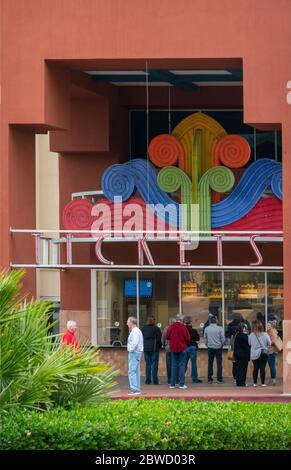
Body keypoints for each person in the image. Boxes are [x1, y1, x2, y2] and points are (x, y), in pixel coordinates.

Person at [166, 313, 190, 390]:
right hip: (182, 348)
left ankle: (172, 384)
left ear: (176, 319)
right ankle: (181, 384)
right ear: (182, 320)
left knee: (173, 366)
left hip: (173, 348)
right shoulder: (184, 327)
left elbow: (167, 336)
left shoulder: (171, 327)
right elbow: (188, 338)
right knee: (182, 366)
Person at [249, 320, 271, 387]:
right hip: (263, 352)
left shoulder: (251, 335)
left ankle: (255, 383)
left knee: (255, 368)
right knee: (262, 368)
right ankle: (263, 383)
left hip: (254, 353)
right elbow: (269, 343)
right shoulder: (265, 334)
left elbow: (249, 343)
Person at [204, 315, 225, 384]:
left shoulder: (207, 328)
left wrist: (207, 345)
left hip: (210, 348)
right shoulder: (220, 328)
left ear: (210, 321)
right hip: (218, 348)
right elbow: (223, 339)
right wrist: (221, 345)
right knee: (219, 363)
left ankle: (210, 379)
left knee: (210, 363)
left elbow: (205, 339)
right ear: (216, 320)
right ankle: (219, 379)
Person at [141, 315, 162, 385]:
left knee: (148, 365)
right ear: (154, 321)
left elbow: (141, 338)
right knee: (154, 365)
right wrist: (160, 346)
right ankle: (155, 381)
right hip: (154, 348)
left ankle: (148, 380)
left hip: (146, 348)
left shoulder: (143, 328)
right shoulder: (156, 329)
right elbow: (159, 339)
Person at [127, 316, 144, 396]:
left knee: (132, 371)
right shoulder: (137, 330)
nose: (127, 323)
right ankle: (136, 388)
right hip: (137, 352)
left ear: (131, 323)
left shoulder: (135, 331)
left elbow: (135, 342)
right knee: (135, 371)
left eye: (128, 322)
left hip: (134, 352)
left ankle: (134, 389)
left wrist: (130, 349)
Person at [226, 312, 244, 383]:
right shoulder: (244, 324)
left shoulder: (230, 325)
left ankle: (235, 378)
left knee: (235, 364)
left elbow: (227, 335)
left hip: (233, 349)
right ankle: (240, 378)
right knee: (242, 364)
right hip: (242, 349)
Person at [184, 316, 202, 383]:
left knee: (184, 363)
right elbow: (198, 338)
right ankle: (194, 379)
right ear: (190, 322)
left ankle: (181, 377)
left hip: (185, 347)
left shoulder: (183, 330)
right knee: (194, 364)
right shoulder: (194, 330)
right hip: (193, 347)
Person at [161, 317, 176, 385]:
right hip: (175, 349)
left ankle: (170, 380)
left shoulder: (166, 329)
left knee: (169, 365)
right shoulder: (177, 328)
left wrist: (164, 345)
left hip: (168, 349)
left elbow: (163, 338)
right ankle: (175, 379)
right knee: (175, 364)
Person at [267, 320, 279, 386]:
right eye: (267, 325)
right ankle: (272, 379)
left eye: (268, 325)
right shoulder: (270, 331)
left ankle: (273, 380)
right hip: (270, 351)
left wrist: (268, 344)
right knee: (271, 366)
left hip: (272, 351)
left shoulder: (272, 331)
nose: (267, 326)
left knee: (272, 366)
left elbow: (274, 340)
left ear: (272, 326)